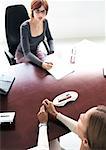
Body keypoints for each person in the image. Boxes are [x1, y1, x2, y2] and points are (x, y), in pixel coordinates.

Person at [42, 99, 106, 150]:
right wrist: (56, 114)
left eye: (82, 119)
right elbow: (80, 130)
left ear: (85, 142)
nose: (81, 115)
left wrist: (42, 124)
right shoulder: (94, 141)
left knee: (51, 138)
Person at [15, 0, 54, 70]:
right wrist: (41, 64)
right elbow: (27, 52)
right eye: (37, 11)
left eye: (43, 11)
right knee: (36, 70)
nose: (40, 15)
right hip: (23, 55)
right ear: (32, 11)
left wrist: (52, 52)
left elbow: (50, 39)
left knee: (49, 65)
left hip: (36, 51)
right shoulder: (25, 27)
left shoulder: (45, 22)